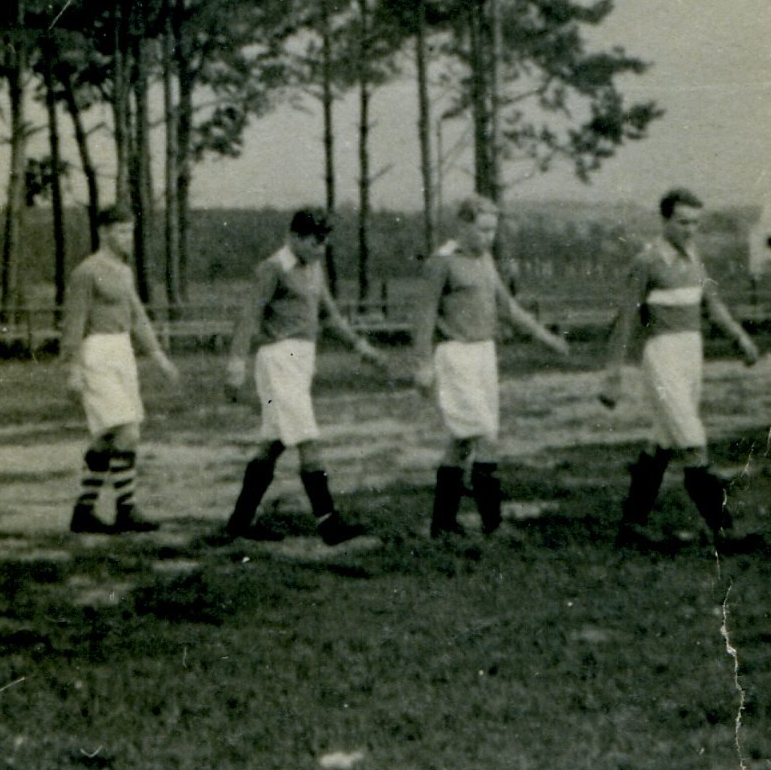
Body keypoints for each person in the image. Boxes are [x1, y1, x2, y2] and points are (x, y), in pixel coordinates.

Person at [222, 207, 395, 546]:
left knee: (275, 441)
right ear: (295, 237)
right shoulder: (274, 268)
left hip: (302, 360)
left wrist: (361, 347)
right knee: (307, 438)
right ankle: (328, 522)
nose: (321, 249)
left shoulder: (314, 268)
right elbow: (249, 316)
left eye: (325, 242)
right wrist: (236, 362)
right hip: (279, 359)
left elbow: (329, 316)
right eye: (315, 242)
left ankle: (240, 521)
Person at [601, 187, 763, 548]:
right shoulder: (647, 262)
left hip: (692, 355)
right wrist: (613, 374)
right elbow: (625, 319)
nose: (690, 230)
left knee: (662, 442)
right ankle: (725, 530)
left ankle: (631, 526)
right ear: (664, 221)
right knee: (691, 442)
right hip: (663, 355)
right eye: (682, 222)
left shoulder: (694, 259)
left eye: (695, 223)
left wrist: (740, 338)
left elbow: (712, 304)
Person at [411, 196, 575, 538]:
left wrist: (547, 338)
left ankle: (443, 524)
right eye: (482, 229)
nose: (488, 237)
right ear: (463, 225)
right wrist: (423, 365)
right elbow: (423, 317)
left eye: (493, 230)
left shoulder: (485, 260)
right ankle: (493, 524)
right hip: (456, 355)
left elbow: (508, 308)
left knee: (462, 441)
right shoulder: (442, 262)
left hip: (484, 355)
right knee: (485, 436)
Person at [60, 206, 182, 536]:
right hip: (96, 352)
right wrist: (73, 369)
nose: (128, 238)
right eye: (121, 231)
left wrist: (158, 357)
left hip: (122, 350)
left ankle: (84, 511)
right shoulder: (86, 272)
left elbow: (138, 316)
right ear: (104, 232)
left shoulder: (125, 271)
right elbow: (74, 323)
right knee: (127, 431)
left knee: (107, 436)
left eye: (131, 231)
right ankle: (126, 509)